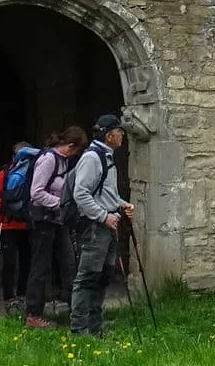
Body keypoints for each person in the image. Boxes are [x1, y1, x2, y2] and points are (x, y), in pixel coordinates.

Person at [70, 114, 132, 338]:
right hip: (95, 227)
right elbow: (81, 193)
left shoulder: (107, 156)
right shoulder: (92, 158)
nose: (122, 135)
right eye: (119, 131)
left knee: (103, 277)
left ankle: (95, 329)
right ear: (108, 136)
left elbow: (107, 194)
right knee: (87, 277)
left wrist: (122, 205)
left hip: (109, 225)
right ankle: (79, 330)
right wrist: (103, 216)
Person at [23, 127, 84, 329]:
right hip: (43, 220)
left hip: (59, 220)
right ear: (71, 146)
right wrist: (61, 203)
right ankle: (33, 314)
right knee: (40, 267)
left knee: (69, 263)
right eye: (76, 150)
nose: (76, 154)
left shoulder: (64, 160)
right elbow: (36, 192)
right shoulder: (49, 159)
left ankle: (77, 310)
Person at [0, 139, 35, 317]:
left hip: (26, 225)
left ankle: (22, 295)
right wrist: (8, 204)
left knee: (26, 261)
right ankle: (8, 298)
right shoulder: (4, 174)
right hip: (7, 225)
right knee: (9, 263)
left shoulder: (34, 173)